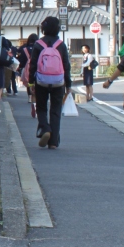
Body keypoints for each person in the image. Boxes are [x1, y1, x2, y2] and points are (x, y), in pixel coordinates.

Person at [26, 16, 72, 149]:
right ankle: (53, 143)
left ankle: (45, 128)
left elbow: (33, 65)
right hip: (58, 81)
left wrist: (31, 83)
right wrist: (68, 84)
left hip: (41, 81)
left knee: (41, 107)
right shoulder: (61, 45)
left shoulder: (38, 44)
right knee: (56, 110)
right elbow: (66, 66)